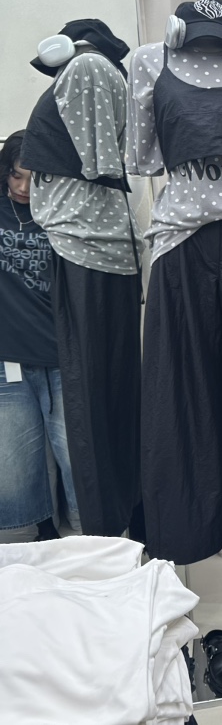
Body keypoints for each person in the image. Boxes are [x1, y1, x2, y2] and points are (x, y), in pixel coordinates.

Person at [0, 130, 79, 540]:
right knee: (15, 460)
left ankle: (91, 538)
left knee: (77, 453)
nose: (24, 187)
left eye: (35, 178)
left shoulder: (62, 212)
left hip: (64, 352)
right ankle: (26, 544)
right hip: (8, 356)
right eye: (16, 175)